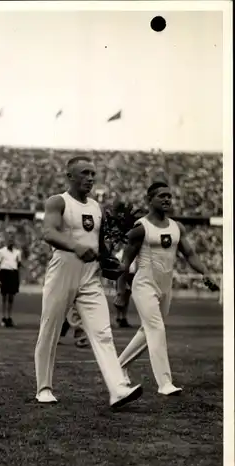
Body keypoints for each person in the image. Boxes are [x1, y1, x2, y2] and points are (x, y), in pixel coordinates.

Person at [34, 155, 143, 408]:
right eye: (84, 173)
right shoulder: (58, 201)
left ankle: (118, 389)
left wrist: (110, 265)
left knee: (103, 331)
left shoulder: (96, 207)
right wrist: (76, 246)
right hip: (63, 270)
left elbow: (100, 248)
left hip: (90, 275)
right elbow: (48, 232)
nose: (90, 178)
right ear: (69, 176)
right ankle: (44, 388)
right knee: (49, 331)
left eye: (93, 174)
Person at [115, 181, 219, 395]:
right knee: (156, 329)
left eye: (169, 196)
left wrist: (204, 273)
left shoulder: (177, 227)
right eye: (161, 196)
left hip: (165, 287)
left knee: (148, 331)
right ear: (149, 200)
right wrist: (121, 289)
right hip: (144, 285)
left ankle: (118, 367)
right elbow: (126, 261)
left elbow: (189, 254)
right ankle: (165, 383)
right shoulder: (141, 227)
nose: (167, 199)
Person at [0, 233, 22, 327]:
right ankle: (3, 317)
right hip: (4, 273)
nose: (11, 242)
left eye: (12, 240)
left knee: (11, 297)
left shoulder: (17, 252)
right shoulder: (1, 252)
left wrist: (17, 277)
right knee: (3, 296)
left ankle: (9, 317)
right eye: (9, 240)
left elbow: (19, 264)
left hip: (13, 273)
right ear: (6, 241)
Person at [114, 243, 137, 328]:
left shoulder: (133, 254)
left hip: (130, 276)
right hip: (122, 275)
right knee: (120, 295)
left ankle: (123, 317)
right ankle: (119, 317)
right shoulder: (120, 254)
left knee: (126, 297)